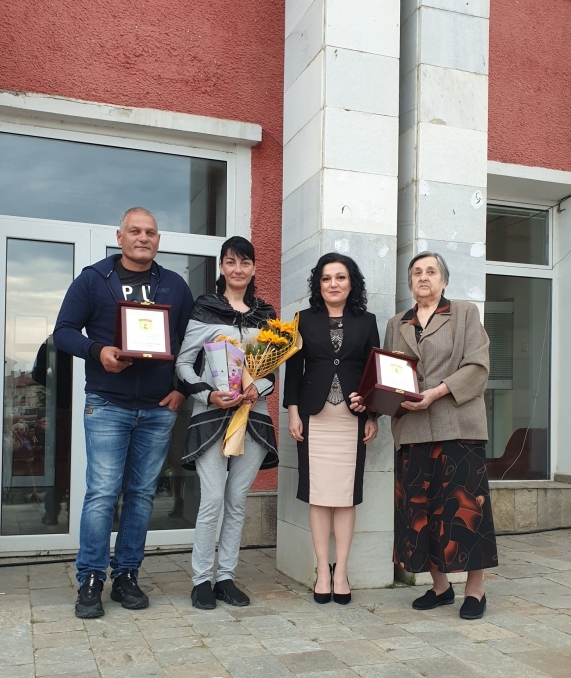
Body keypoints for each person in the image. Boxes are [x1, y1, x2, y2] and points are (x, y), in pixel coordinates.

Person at [54, 207, 194, 619]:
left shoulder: (174, 285)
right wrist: (97, 351)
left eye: (150, 232)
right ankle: (91, 579)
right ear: (120, 237)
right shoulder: (94, 279)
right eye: (135, 231)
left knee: (142, 495)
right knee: (101, 493)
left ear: (158, 240)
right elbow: (63, 332)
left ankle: (127, 575)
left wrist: (182, 389)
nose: (143, 238)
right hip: (107, 404)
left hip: (158, 408)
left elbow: (192, 342)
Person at [381, 251, 498, 620]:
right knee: (421, 512)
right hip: (412, 429)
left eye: (431, 271)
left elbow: (478, 366)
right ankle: (440, 587)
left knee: (466, 511)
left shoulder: (464, 313)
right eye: (417, 272)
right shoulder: (397, 323)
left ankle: (475, 590)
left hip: (458, 427)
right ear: (410, 282)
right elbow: (389, 373)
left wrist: (436, 392)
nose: (423, 277)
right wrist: (377, 400)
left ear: (443, 280)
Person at [175, 236, 278, 611]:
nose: (238, 269)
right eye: (231, 262)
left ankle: (226, 578)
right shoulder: (205, 309)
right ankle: (201, 580)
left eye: (245, 262)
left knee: (236, 501)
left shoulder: (266, 314)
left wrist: (257, 389)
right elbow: (183, 364)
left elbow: (272, 371)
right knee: (213, 499)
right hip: (212, 418)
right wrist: (208, 394)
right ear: (221, 266)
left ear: (253, 267)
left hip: (253, 418)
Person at [283, 254, 379, 605]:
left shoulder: (367, 321)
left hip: (352, 419)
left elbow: (374, 372)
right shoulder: (303, 320)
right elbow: (293, 371)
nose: (333, 284)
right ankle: (323, 571)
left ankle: (342, 572)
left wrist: (373, 414)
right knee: (320, 495)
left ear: (352, 283)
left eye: (340, 277)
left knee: (345, 496)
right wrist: (293, 413)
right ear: (318, 284)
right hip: (314, 418)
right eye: (326, 278)